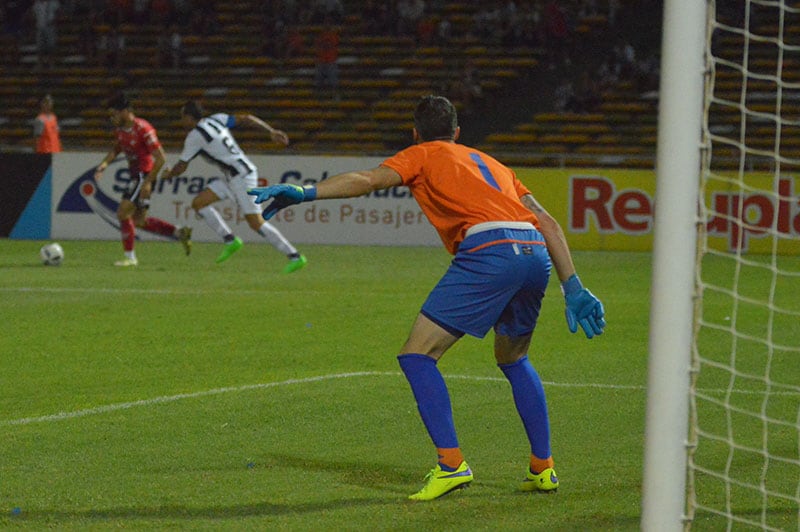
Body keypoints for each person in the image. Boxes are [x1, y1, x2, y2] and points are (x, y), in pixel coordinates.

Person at [248, 95, 606, 500]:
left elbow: (367, 180)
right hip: (533, 251)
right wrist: (572, 285)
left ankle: (452, 465)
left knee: (417, 356)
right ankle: (543, 468)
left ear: (415, 133)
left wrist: (304, 191)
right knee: (514, 358)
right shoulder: (494, 165)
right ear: (457, 133)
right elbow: (546, 221)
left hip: (489, 252)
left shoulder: (420, 154)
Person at [159, 100, 307, 273]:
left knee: (256, 223)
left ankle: (295, 256)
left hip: (242, 178)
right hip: (233, 176)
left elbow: (182, 166)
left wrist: (169, 174)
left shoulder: (194, 136)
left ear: (190, 118)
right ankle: (230, 240)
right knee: (199, 203)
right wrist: (271, 131)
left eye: (183, 117)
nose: (182, 121)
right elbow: (247, 118)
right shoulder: (216, 119)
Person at [94, 92, 192, 266]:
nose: (112, 117)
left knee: (123, 213)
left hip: (143, 176)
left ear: (124, 111)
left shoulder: (143, 129)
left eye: (114, 113)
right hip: (136, 176)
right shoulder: (120, 131)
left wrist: (147, 182)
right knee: (139, 221)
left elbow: (161, 158)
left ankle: (130, 258)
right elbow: (116, 150)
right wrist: (103, 165)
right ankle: (179, 232)